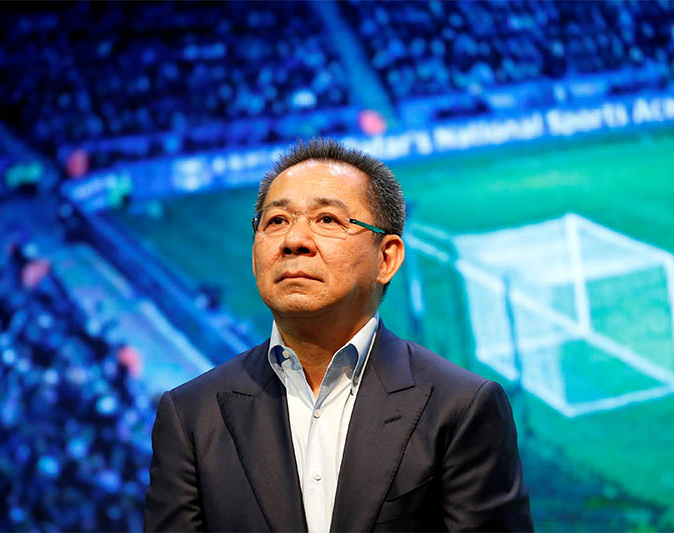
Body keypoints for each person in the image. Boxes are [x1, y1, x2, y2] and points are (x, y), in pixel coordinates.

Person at [144, 138, 533, 532]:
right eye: (276, 221)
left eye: (328, 219)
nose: (294, 240)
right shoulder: (190, 415)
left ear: (387, 258)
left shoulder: (461, 407)